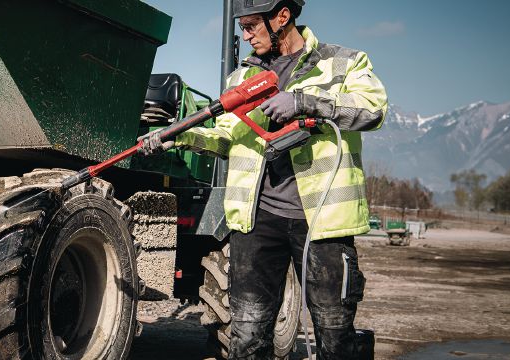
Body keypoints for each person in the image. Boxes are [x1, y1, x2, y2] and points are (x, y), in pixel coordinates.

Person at [138, 0, 387, 358]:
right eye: (242, 26)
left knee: (335, 333)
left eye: (252, 25)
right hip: (257, 221)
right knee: (247, 333)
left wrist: (304, 102)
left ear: (282, 17)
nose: (246, 34)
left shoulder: (343, 62)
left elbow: (374, 108)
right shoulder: (243, 78)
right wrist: (180, 137)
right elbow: (226, 135)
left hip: (322, 222)